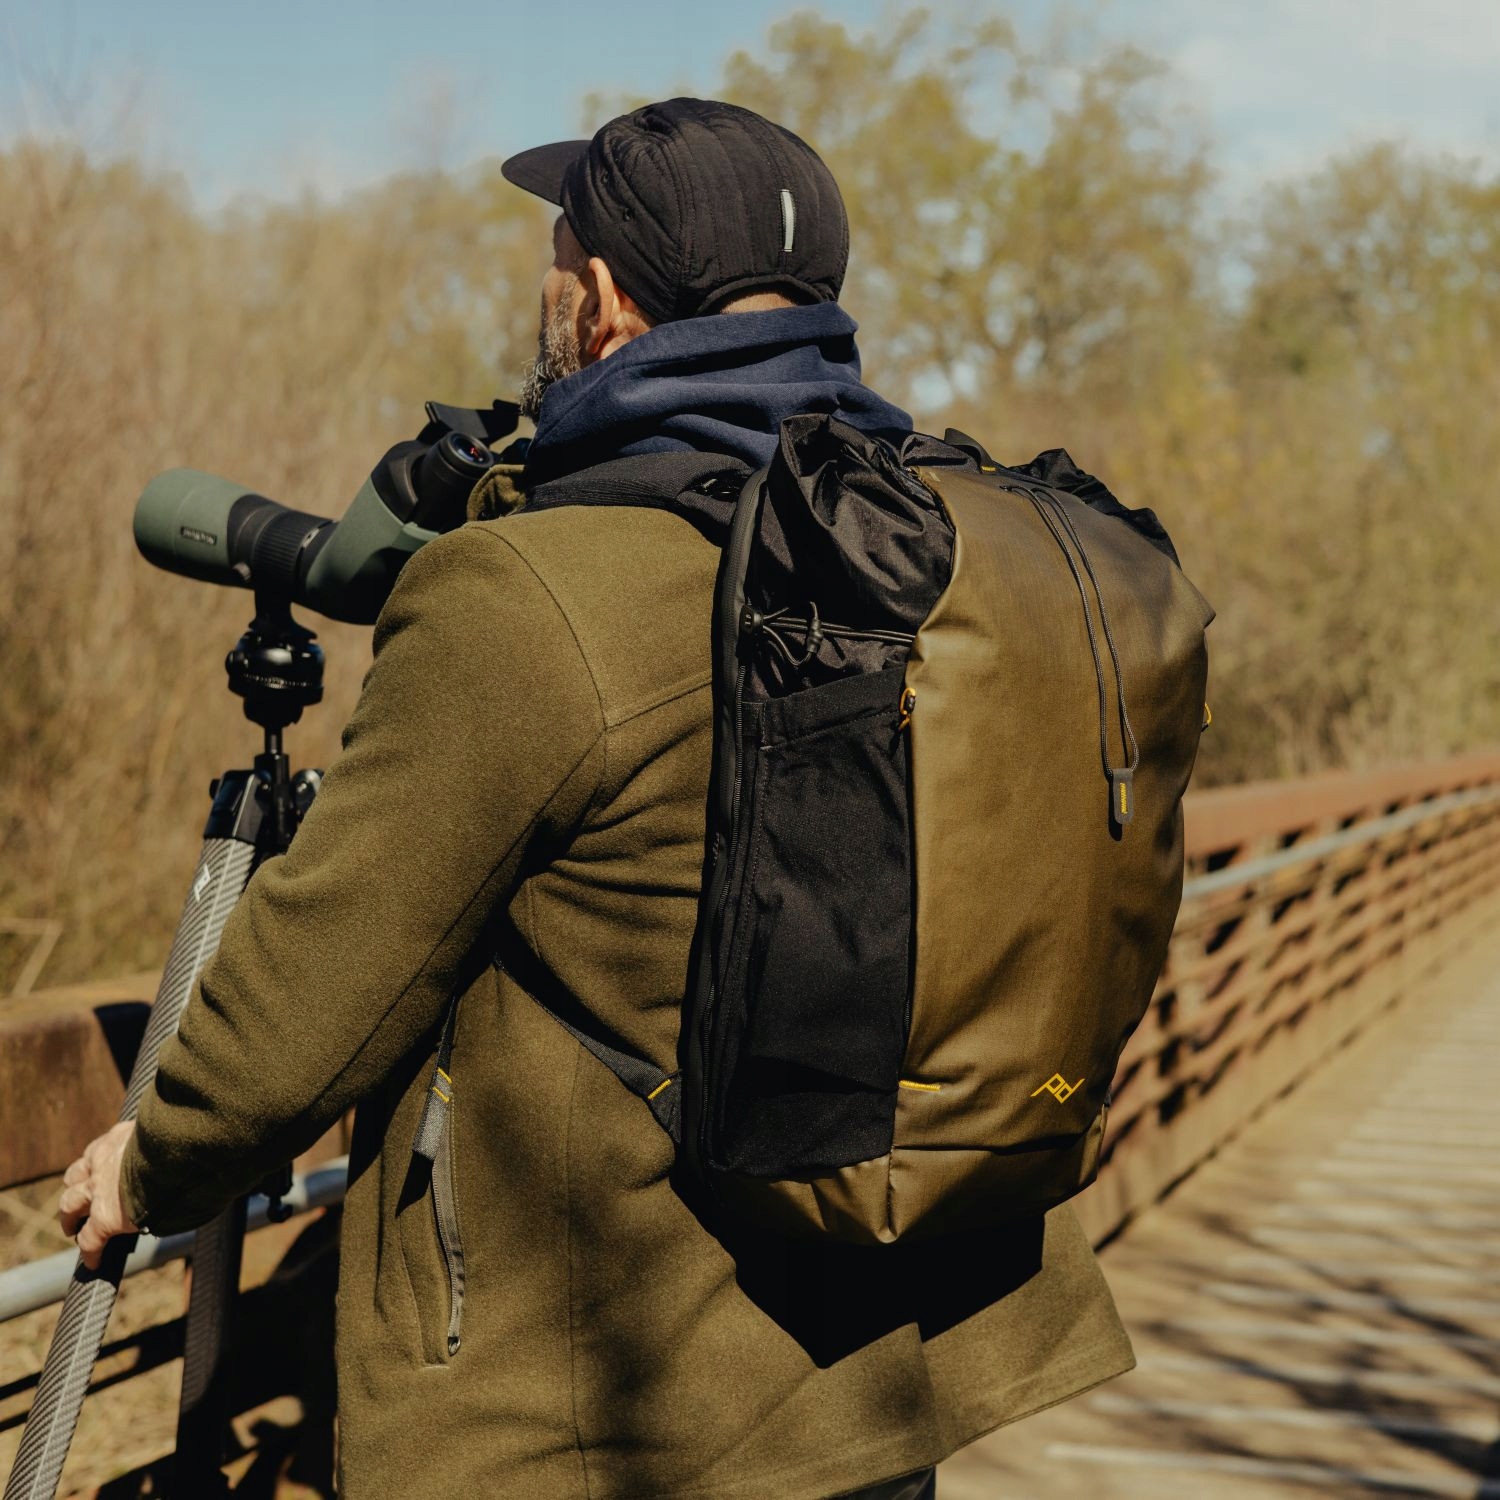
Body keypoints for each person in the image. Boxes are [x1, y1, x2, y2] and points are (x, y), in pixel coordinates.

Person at [58, 98, 1134, 1499]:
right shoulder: (918, 554)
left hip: (616, 1424)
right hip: (886, 1364)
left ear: (607, 299)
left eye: (556, 256)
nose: (547, 286)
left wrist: (159, 1165)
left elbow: (322, 982)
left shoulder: (531, 591)